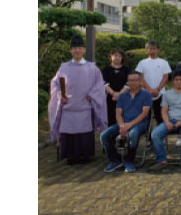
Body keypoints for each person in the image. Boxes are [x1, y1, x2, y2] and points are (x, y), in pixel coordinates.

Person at [48, 35, 107, 164]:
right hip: (68, 107)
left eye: (80, 48)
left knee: (84, 133)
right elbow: (55, 84)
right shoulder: (64, 67)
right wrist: (60, 95)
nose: (77, 51)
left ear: (84, 50)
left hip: (84, 106)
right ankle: (70, 157)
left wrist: (92, 94)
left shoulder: (92, 68)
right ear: (71, 50)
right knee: (69, 133)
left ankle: (85, 156)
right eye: (74, 48)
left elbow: (99, 84)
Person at [99, 71, 151, 173]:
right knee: (104, 135)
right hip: (123, 123)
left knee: (133, 134)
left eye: (135, 80)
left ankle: (129, 160)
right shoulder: (122, 96)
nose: (133, 82)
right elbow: (118, 113)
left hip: (140, 124)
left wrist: (129, 125)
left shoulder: (146, 95)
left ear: (140, 81)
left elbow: (144, 114)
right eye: (130, 80)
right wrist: (122, 126)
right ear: (127, 82)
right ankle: (115, 160)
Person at [150, 70, 181, 171]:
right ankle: (161, 160)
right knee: (155, 134)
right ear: (172, 81)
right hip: (170, 120)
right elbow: (164, 110)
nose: (178, 82)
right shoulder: (167, 94)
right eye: (176, 80)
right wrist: (167, 122)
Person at [135, 41, 171, 130]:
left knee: (160, 116)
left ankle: (160, 134)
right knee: (145, 116)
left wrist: (158, 89)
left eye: (154, 49)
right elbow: (140, 77)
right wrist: (149, 90)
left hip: (160, 94)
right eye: (150, 49)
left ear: (158, 50)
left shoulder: (164, 62)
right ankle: (147, 136)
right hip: (145, 94)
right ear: (146, 50)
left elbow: (165, 77)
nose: (152, 51)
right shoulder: (142, 63)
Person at [101, 48, 129, 127]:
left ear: (122, 58)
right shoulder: (106, 69)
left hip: (123, 98)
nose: (117, 57)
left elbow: (128, 84)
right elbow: (104, 83)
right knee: (110, 118)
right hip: (109, 98)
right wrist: (113, 94)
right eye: (115, 55)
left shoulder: (126, 70)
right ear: (111, 57)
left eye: (119, 56)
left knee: (123, 118)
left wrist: (119, 94)